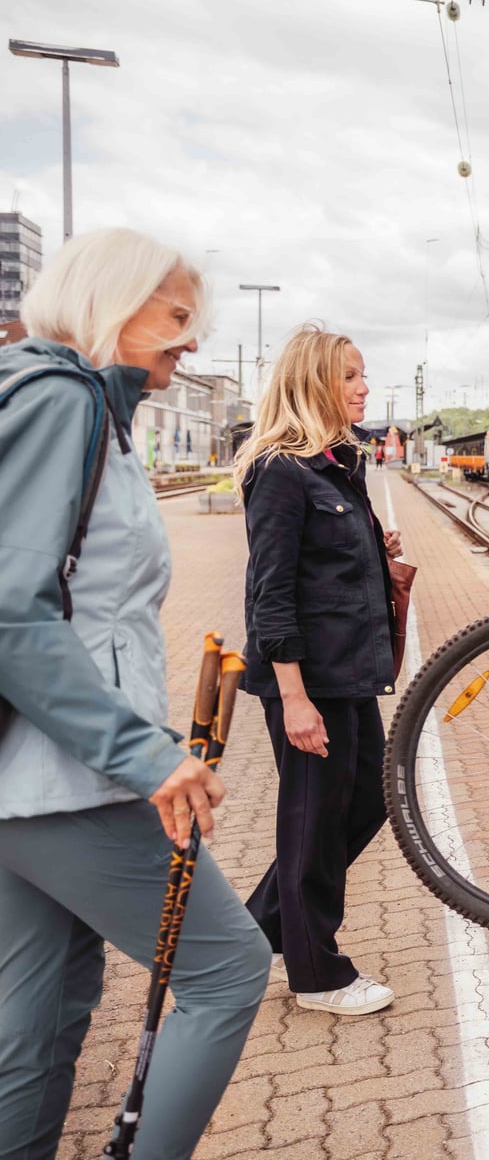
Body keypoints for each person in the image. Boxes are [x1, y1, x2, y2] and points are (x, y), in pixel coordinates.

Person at [0, 229, 269, 1158]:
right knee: (230, 969)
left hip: (30, 780)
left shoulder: (78, 408)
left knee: (38, 1023)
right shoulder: (60, 402)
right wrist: (147, 753)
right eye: (179, 316)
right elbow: (12, 613)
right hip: (64, 777)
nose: (192, 340)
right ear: (111, 302)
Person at [233, 327, 403, 1016]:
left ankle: (250, 933)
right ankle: (316, 974)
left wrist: (374, 543)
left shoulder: (340, 464)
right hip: (308, 682)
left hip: (349, 674)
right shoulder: (279, 471)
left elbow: (328, 566)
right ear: (312, 383)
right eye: (349, 376)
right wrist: (293, 697)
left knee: (371, 799)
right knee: (310, 822)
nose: (363, 386)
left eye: (364, 374)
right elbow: (269, 593)